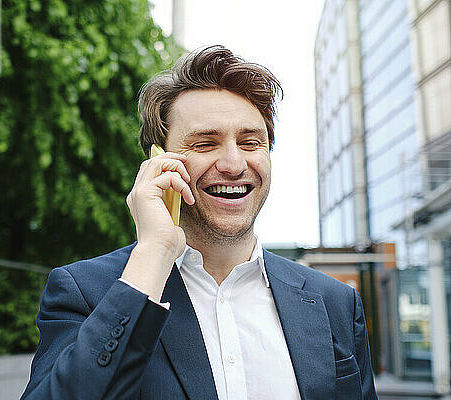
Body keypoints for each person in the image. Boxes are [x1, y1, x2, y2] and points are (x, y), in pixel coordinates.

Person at [21, 45, 378, 400]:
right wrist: (155, 252)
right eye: (206, 143)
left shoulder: (337, 303)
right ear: (159, 161)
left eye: (251, 142)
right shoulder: (84, 291)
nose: (235, 164)